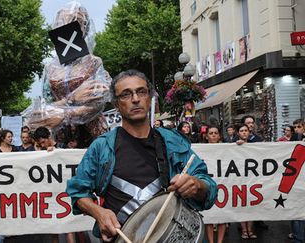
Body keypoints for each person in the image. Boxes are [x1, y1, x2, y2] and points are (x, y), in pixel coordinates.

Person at [66, 70, 217, 241]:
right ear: (116, 103)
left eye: (141, 92)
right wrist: (99, 213)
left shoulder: (173, 142)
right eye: (126, 94)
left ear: (149, 98)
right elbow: (78, 192)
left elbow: (209, 188)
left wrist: (197, 185)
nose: (135, 99)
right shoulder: (102, 147)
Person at [23, 1, 111, 140]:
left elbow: (97, 103)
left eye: (78, 21)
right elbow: (45, 106)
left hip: (93, 132)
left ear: (85, 28)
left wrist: (61, 113)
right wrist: (72, 99)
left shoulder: (93, 62)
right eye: (64, 20)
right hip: (60, 134)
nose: (70, 24)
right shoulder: (50, 68)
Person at [204, 126, 227, 243]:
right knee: (209, 216)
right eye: (211, 133)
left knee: (221, 216)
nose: (213, 135)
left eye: (215, 133)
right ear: (206, 136)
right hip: (208, 186)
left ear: (219, 136)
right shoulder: (200, 149)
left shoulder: (227, 149)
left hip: (223, 185)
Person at [235, 124, 258, 239]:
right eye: (241, 131)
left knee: (251, 206)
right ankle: (244, 230)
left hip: (252, 179)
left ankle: (250, 230)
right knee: (242, 205)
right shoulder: (233, 146)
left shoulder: (255, 145)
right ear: (238, 133)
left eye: (246, 130)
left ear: (249, 133)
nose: (244, 132)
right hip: (239, 180)